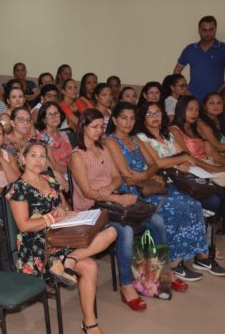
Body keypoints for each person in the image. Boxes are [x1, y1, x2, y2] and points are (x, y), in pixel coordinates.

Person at [70, 109, 181, 312]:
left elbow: (117, 177)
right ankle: (127, 285)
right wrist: (116, 197)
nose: (99, 131)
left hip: (111, 202)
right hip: (92, 209)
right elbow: (87, 192)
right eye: (94, 127)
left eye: (101, 127)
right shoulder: (77, 155)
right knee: (126, 231)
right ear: (83, 128)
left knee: (155, 220)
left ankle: (156, 279)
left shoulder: (103, 149)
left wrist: (111, 190)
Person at [105, 102, 224, 280]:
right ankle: (172, 262)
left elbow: (154, 164)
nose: (128, 122)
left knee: (194, 204)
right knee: (179, 208)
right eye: (123, 118)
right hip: (133, 193)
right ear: (114, 119)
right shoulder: (111, 141)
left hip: (151, 185)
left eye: (131, 118)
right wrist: (149, 174)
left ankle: (192, 259)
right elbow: (127, 175)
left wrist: (146, 174)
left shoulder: (136, 139)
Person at [7, 140, 116, 334]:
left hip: (62, 236)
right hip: (38, 247)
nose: (39, 160)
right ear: (22, 159)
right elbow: (24, 225)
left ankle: (71, 261)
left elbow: (66, 207)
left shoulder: (50, 180)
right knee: (90, 265)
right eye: (33, 155)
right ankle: (91, 326)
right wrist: (50, 217)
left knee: (111, 232)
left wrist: (63, 211)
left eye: (43, 156)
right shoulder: (18, 189)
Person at [136, 102, 225, 238]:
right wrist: (180, 160)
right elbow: (158, 163)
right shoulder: (142, 137)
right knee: (209, 202)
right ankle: (198, 240)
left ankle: (203, 238)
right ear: (143, 117)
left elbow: (186, 155)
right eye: (149, 114)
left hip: (184, 177)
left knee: (215, 197)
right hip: (166, 181)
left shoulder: (167, 135)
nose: (154, 117)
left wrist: (183, 161)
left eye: (158, 113)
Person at [174, 15, 225, 101]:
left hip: (215, 100)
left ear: (215, 29)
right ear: (199, 30)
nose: (207, 33)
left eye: (211, 30)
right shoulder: (190, 49)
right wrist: (184, 90)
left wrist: (222, 90)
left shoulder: (223, 49)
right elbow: (177, 71)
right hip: (192, 98)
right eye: (204, 30)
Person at [35, 102, 72, 176]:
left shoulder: (63, 134)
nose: (54, 117)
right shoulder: (42, 139)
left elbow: (72, 157)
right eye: (49, 115)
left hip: (72, 170)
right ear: (44, 120)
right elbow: (54, 167)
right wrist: (76, 170)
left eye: (56, 113)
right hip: (58, 176)